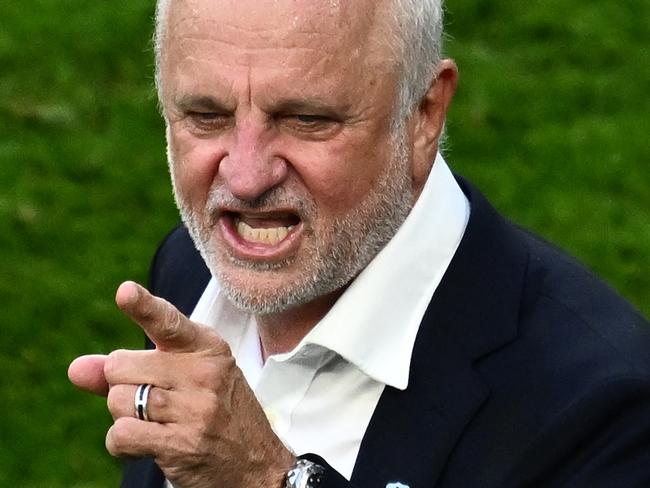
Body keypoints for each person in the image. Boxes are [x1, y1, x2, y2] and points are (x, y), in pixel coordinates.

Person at [68, 0, 650, 487]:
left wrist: (270, 478)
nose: (244, 178)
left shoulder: (603, 410)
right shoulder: (187, 269)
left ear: (425, 112)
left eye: (306, 119)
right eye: (205, 115)